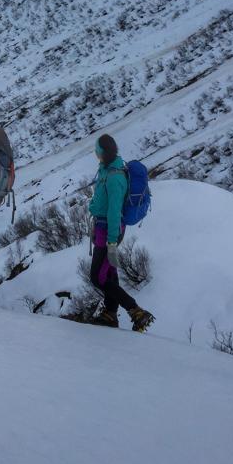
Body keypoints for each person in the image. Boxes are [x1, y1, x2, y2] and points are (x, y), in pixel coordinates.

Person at [87, 134, 154, 331]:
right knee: (108, 273)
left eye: (98, 150)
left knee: (97, 277)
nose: (96, 154)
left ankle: (136, 311)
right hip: (102, 227)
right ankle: (110, 314)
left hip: (110, 230)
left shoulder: (115, 177)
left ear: (104, 152)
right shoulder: (107, 170)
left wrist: (112, 242)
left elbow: (114, 211)